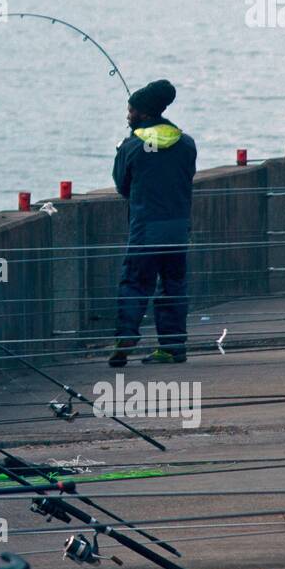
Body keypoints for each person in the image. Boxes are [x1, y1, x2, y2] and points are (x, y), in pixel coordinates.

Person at [109, 79, 197, 366]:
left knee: (135, 282)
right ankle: (173, 348)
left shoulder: (132, 146)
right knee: (173, 286)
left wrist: (121, 152)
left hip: (146, 229)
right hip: (178, 229)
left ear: (144, 114)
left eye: (131, 110)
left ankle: (126, 336)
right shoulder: (185, 143)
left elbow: (122, 186)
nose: (128, 115)